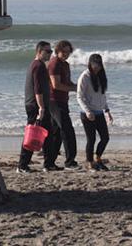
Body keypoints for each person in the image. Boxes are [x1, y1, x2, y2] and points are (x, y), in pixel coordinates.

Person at [17, 41, 60, 173]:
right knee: (32, 135)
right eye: (47, 51)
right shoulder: (38, 66)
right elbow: (38, 89)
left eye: (51, 51)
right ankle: (22, 165)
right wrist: (41, 107)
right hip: (35, 106)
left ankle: (48, 164)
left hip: (38, 105)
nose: (50, 54)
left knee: (46, 134)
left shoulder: (39, 65)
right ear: (39, 52)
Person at [77, 53, 114, 171]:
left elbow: (102, 96)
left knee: (105, 138)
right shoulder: (85, 76)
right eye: (94, 65)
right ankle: (90, 162)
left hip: (99, 112)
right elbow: (79, 96)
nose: (96, 67)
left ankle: (98, 158)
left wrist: (107, 110)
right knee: (91, 139)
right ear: (90, 64)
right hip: (87, 114)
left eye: (98, 64)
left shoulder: (101, 76)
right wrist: (87, 111)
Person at [48, 40, 78, 169]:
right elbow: (56, 85)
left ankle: (49, 163)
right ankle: (70, 162)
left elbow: (68, 82)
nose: (66, 54)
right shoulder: (54, 63)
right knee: (67, 130)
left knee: (56, 132)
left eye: (68, 52)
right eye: (63, 52)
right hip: (54, 101)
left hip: (63, 100)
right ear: (57, 51)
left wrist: (79, 86)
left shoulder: (65, 64)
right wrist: (73, 89)